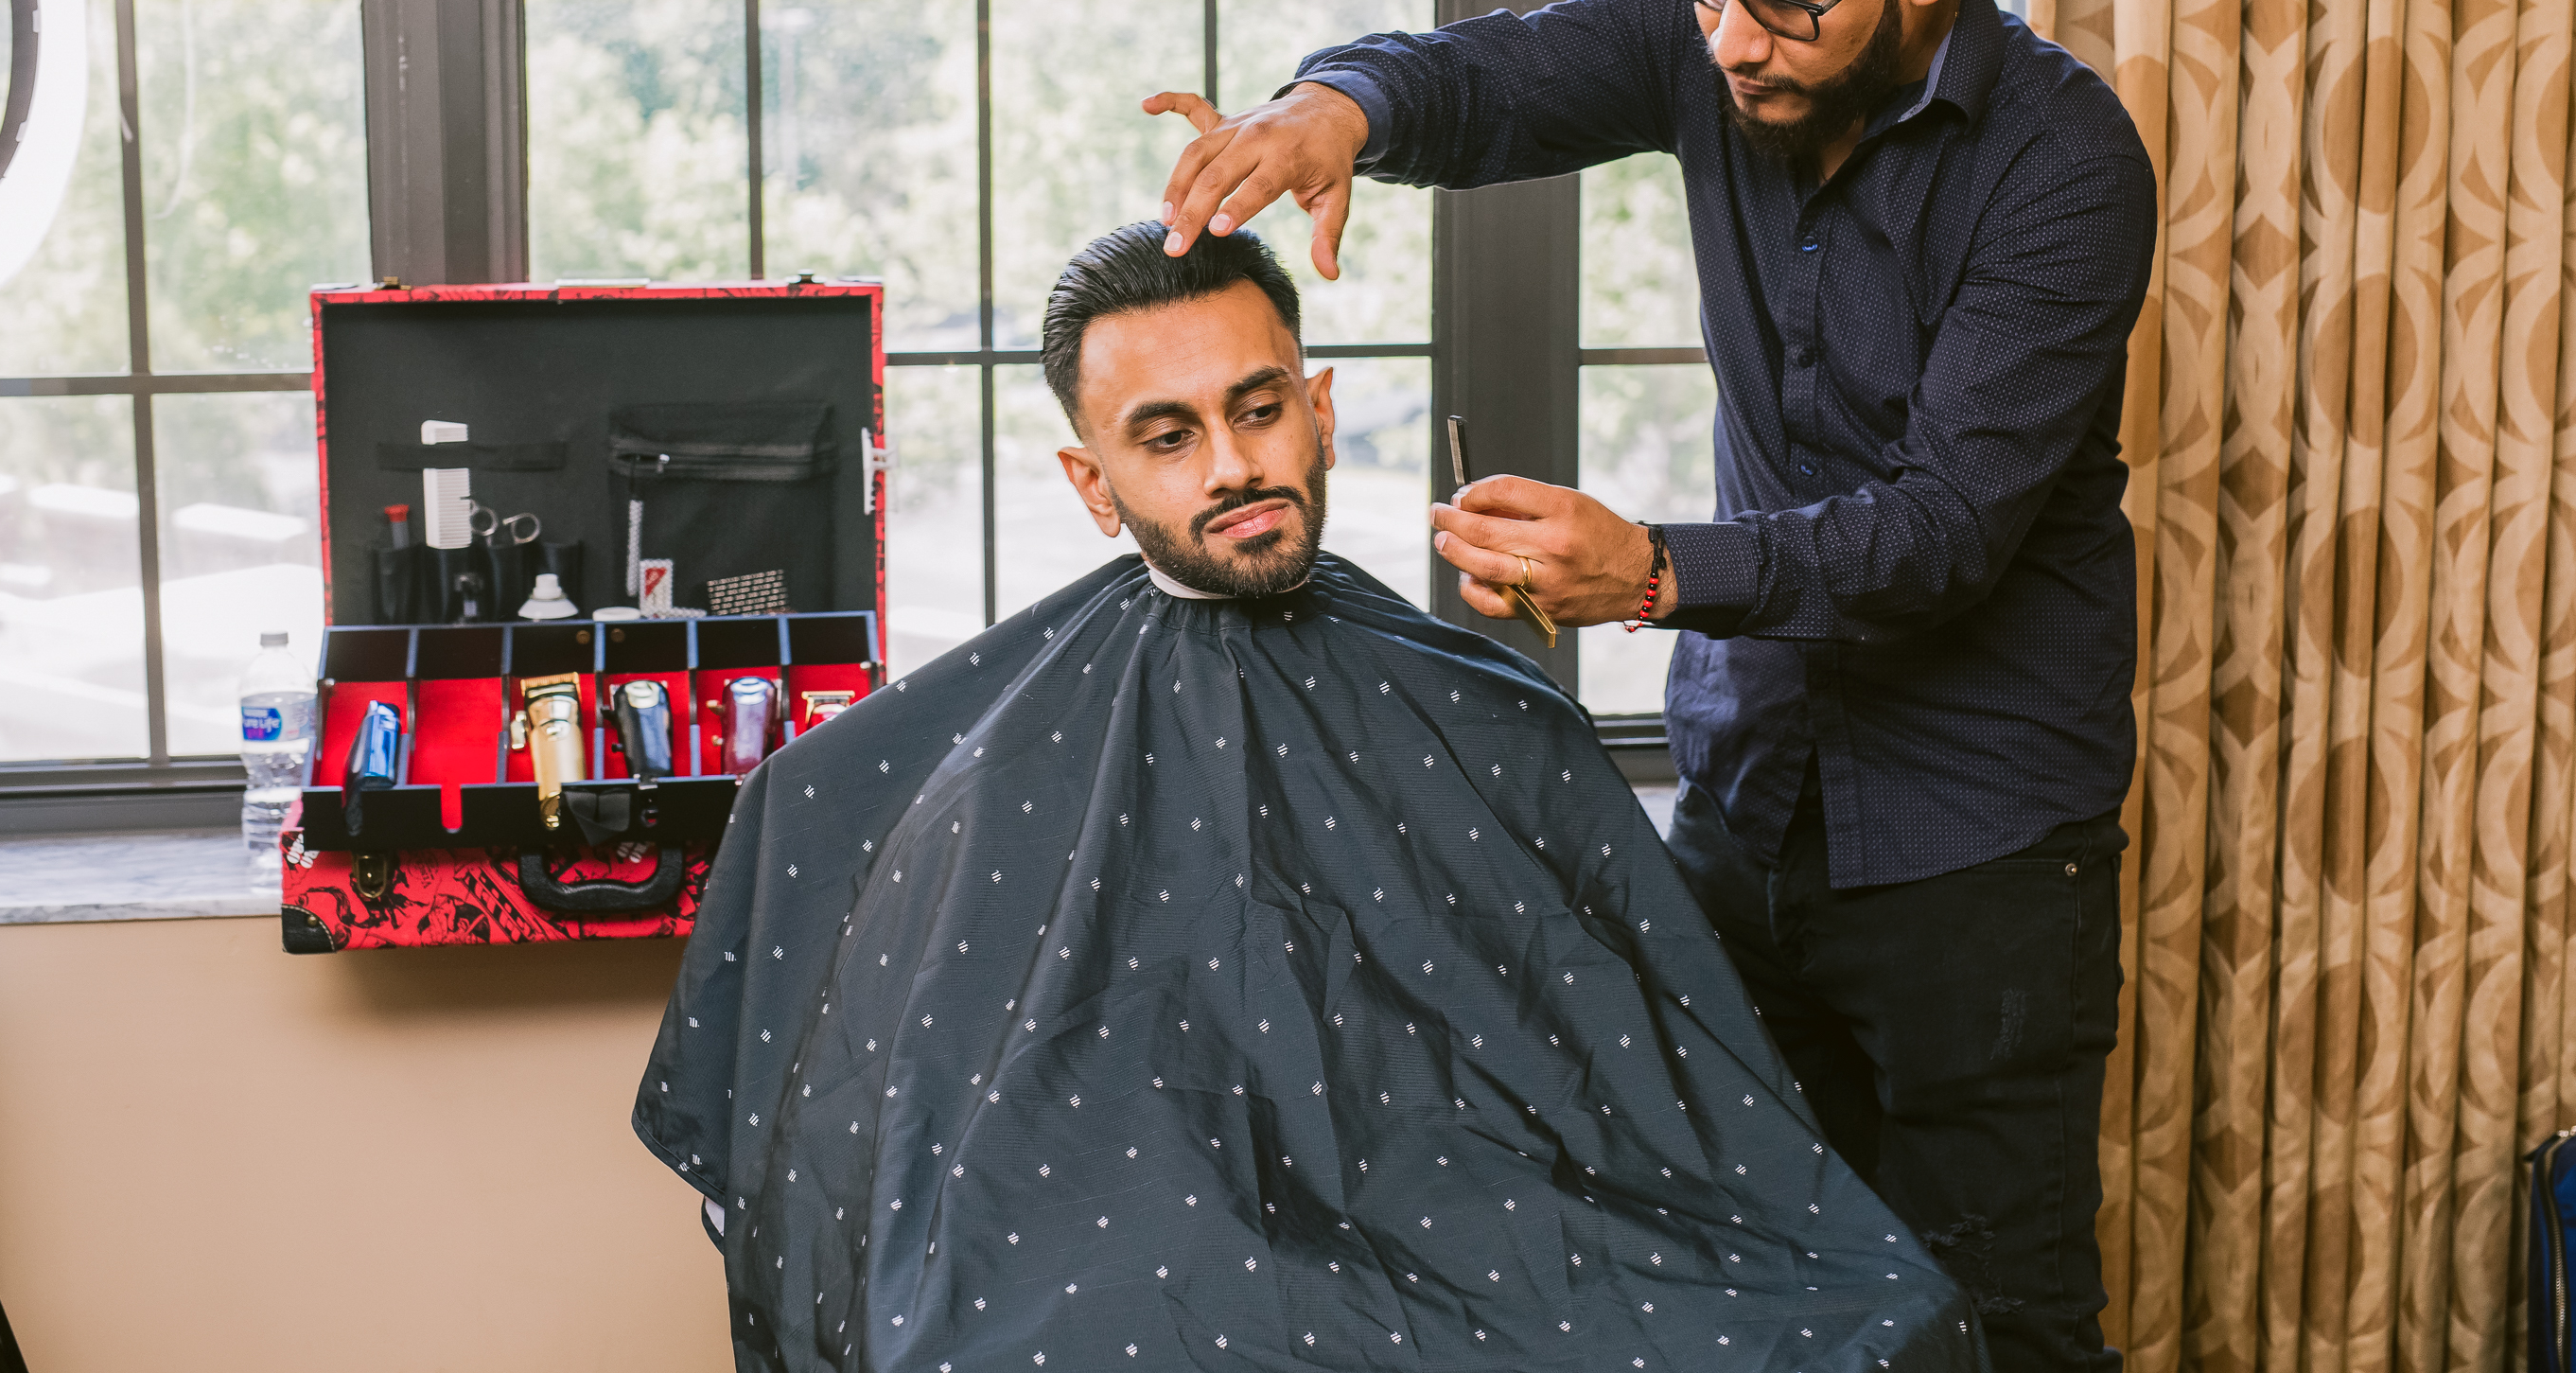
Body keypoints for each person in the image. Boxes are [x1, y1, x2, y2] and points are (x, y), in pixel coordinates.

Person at [1139, 0, 2156, 1373]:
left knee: (2001, 1318)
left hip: (1978, 851)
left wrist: (1657, 572)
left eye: (1784, 2)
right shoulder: (1716, 23)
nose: (1731, 41)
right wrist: (1335, 108)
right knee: (1754, 1287)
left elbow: (1942, 533)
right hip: (1746, 808)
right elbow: (1487, 76)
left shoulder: (2063, 162)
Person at [636, 222, 1989, 1372]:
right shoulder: (981, 748)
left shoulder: (1493, 710)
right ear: (1092, 484)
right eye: (1166, 436)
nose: (1231, 466)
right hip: (1117, 1246)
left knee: (1870, 1319)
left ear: (1321, 408)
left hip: (1496, 1229)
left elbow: (1654, 1095)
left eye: (1258, 407)